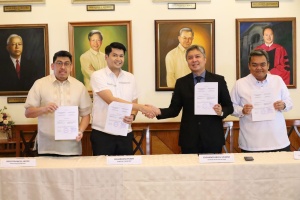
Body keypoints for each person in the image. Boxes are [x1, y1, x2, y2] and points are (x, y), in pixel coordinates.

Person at [150, 45, 233, 154]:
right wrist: (158, 111)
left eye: (197, 56)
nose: (194, 60)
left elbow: (229, 107)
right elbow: (174, 110)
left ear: (204, 59)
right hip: (189, 139)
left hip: (212, 138)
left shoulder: (218, 80)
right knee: (189, 171)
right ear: (187, 61)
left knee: (212, 171)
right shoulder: (181, 83)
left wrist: (221, 111)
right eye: (190, 58)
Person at [90, 42, 155, 156]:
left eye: (121, 55)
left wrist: (133, 115)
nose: (118, 59)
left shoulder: (130, 77)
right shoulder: (97, 76)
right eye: (114, 55)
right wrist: (141, 108)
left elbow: (134, 101)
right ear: (106, 57)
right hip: (103, 133)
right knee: (102, 171)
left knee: (125, 170)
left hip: (125, 132)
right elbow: (111, 100)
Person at [24, 50, 92, 156]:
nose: (63, 67)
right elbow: (28, 113)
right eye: (59, 63)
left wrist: (81, 130)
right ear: (52, 66)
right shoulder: (40, 84)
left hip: (72, 147)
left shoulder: (80, 87)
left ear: (71, 67)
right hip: (46, 147)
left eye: (66, 63)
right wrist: (44, 109)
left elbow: (86, 115)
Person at [230, 49, 293, 152]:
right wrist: (242, 110)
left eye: (262, 64)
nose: (259, 68)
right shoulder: (240, 84)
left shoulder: (277, 80)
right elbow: (231, 107)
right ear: (249, 66)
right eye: (254, 65)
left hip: (278, 141)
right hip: (251, 143)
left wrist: (284, 105)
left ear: (268, 65)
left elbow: (290, 102)